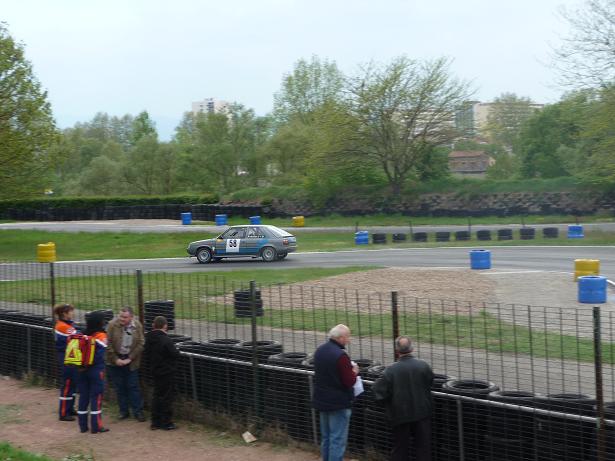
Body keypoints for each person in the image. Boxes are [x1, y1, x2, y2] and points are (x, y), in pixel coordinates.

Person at [373, 336, 434, 461]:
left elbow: (377, 391)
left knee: (400, 449)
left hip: (400, 415)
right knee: (423, 448)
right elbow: (429, 382)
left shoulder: (390, 370)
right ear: (412, 348)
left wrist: (388, 404)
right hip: (422, 413)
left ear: (397, 351)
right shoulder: (423, 366)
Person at [312, 324, 359, 461]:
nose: (348, 340)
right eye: (347, 337)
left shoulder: (320, 350)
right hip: (338, 403)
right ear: (340, 338)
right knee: (337, 439)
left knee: (326, 437)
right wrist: (355, 372)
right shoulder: (341, 356)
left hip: (322, 399)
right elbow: (349, 381)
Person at [105, 307, 145, 422]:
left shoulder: (137, 326)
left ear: (131, 317)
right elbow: (108, 344)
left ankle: (138, 411)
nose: (122, 319)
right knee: (120, 387)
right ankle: (123, 411)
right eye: (120, 316)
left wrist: (130, 358)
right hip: (115, 359)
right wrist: (115, 359)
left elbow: (141, 343)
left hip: (131, 360)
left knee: (133, 386)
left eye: (125, 317)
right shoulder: (112, 325)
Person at [143, 315, 181, 431]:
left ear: (154, 325)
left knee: (157, 396)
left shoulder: (148, 339)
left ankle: (155, 422)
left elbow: (146, 355)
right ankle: (166, 422)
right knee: (166, 398)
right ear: (165, 326)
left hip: (155, 371)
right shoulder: (166, 340)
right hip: (167, 373)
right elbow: (175, 354)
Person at [77, 311, 109, 434]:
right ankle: (96, 426)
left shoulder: (82, 334)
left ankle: (83, 426)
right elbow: (100, 355)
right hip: (96, 370)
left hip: (81, 369)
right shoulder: (101, 336)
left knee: (83, 396)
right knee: (96, 397)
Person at [53, 303, 79, 421]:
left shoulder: (65, 325)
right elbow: (78, 337)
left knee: (72, 384)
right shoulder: (64, 326)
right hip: (67, 358)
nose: (73, 313)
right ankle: (63, 413)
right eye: (71, 311)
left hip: (70, 357)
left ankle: (70, 408)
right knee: (68, 384)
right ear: (64, 313)